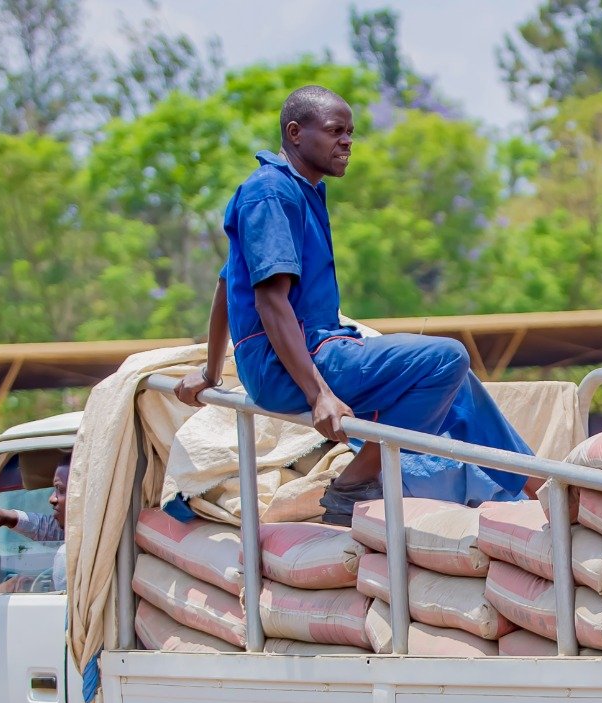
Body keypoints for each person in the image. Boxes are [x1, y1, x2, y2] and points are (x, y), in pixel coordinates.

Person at [176, 85, 533, 525]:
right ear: (295, 133)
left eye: (351, 132)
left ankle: (535, 483)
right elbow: (271, 302)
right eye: (335, 131)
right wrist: (319, 395)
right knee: (446, 357)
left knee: (457, 383)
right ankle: (355, 482)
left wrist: (211, 372)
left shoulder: (299, 190)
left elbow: (227, 281)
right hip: (291, 361)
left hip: (316, 349)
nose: (347, 141)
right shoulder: (271, 192)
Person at [0, 460, 69, 592]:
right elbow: (61, 531)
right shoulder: (88, 537)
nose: (52, 498)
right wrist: (6, 516)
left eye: (60, 489)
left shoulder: (66, 555)